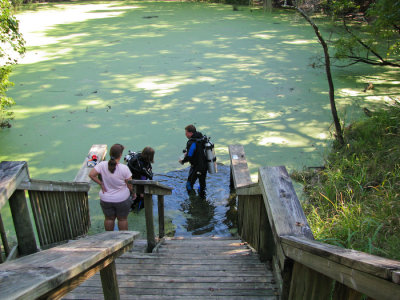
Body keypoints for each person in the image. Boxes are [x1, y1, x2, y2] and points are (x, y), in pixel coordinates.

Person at [89, 143, 133, 231]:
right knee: (122, 219)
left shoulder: (102, 165)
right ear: (120, 155)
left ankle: (109, 238)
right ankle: (124, 239)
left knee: (109, 219)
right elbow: (129, 184)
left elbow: (91, 175)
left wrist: (101, 183)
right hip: (122, 199)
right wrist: (133, 192)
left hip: (106, 198)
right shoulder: (124, 168)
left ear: (110, 154)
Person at [179, 124, 208, 198]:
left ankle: (192, 201)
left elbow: (189, 156)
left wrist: (182, 161)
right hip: (205, 165)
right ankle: (202, 200)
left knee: (189, 185)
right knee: (202, 184)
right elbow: (198, 150)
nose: (185, 135)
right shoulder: (201, 138)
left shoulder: (192, 142)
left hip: (196, 167)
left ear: (191, 133)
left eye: (186, 133)